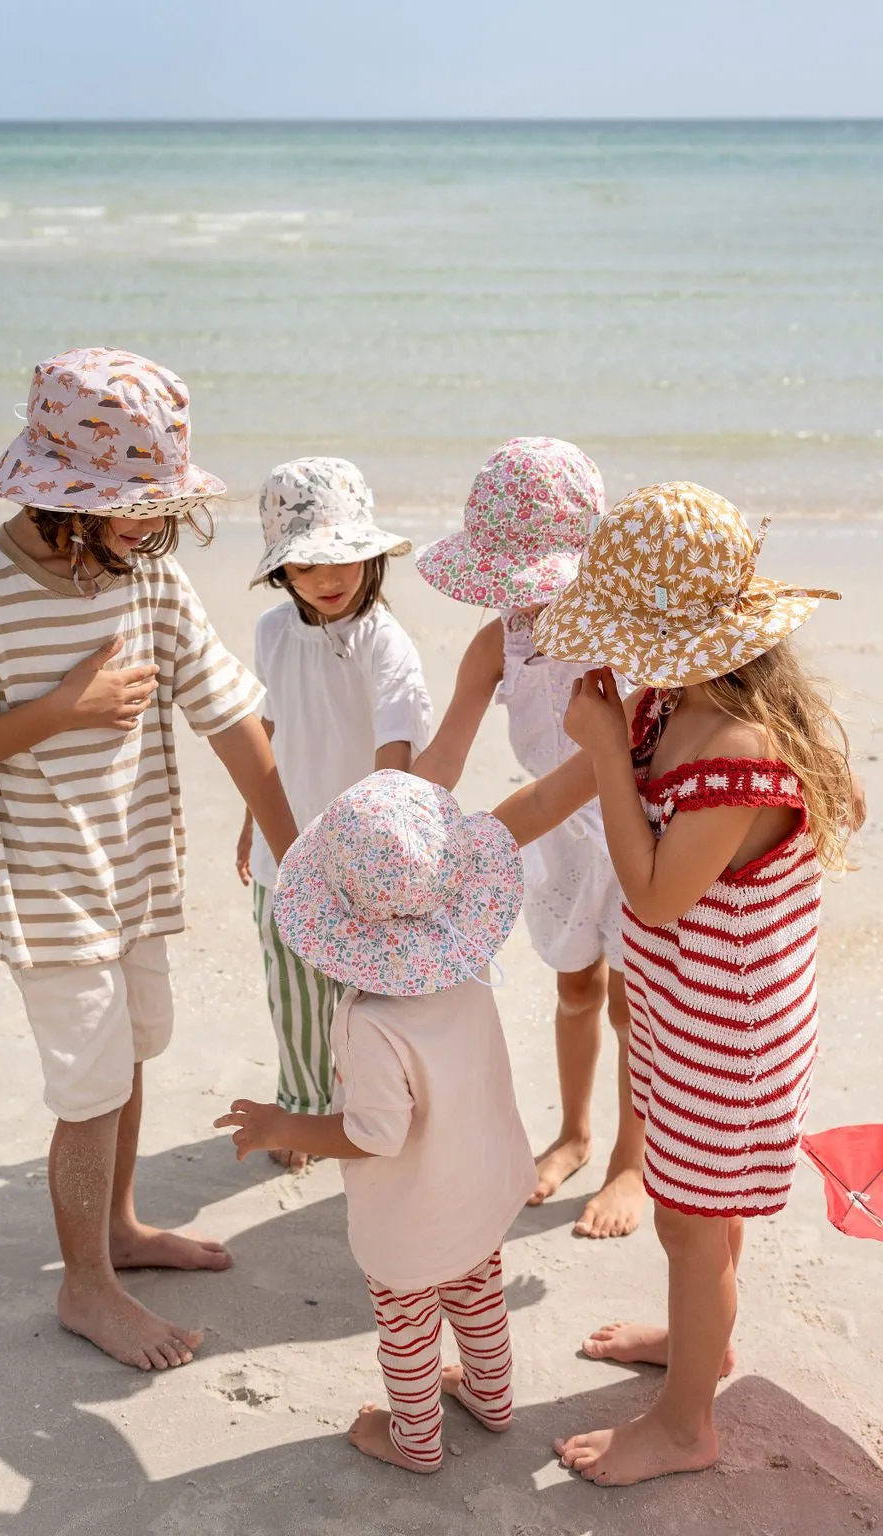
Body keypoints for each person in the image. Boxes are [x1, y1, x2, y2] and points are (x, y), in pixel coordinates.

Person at [0, 346, 297, 1373]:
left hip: (135, 871)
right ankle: (85, 1285)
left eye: (161, 507)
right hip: (43, 887)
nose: (154, 526)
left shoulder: (150, 570)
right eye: (131, 507)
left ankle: (116, 1230)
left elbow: (228, 711)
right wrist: (57, 712)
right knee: (87, 1087)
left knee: (131, 1053)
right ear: (58, 497)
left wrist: (296, 848)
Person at [493, 481, 859, 1485]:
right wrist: (459, 849)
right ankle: (704, 1345)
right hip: (683, 1014)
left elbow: (652, 897)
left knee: (694, 1226)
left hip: (732, 1038)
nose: (606, 654)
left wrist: (608, 750)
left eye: (619, 631)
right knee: (689, 1212)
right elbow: (557, 795)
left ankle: (686, 1422)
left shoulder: (738, 753)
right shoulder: (668, 711)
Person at [217, 770, 535, 1474]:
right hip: (480, 1187)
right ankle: (493, 1397)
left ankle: (414, 1440)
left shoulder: (372, 1023)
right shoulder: (465, 970)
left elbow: (373, 1135)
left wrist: (283, 1127)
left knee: (408, 1324)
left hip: (413, 1212)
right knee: (479, 1294)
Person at [413, 438, 644, 1238]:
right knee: (575, 986)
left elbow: (588, 775)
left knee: (634, 1006)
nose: (524, 602)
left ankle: (628, 1160)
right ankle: (575, 1133)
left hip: (636, 830)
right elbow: (445, 753)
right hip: (557, 849)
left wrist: (482, 840)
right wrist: (395, 815)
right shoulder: (497, 643)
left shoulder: (625, 645)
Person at [235, 458, 432, 1168]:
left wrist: (379, 849)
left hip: (360, 859)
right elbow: (268, 731)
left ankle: (368, 1108)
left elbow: (397, 745)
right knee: (293, 997)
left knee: (362, 998)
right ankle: (303, 1110)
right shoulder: (271, 633)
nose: (329, 575)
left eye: (346, 554)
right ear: (281, 569)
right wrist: (252, 821)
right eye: (308, 560)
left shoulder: (385, 640)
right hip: (281, 853)